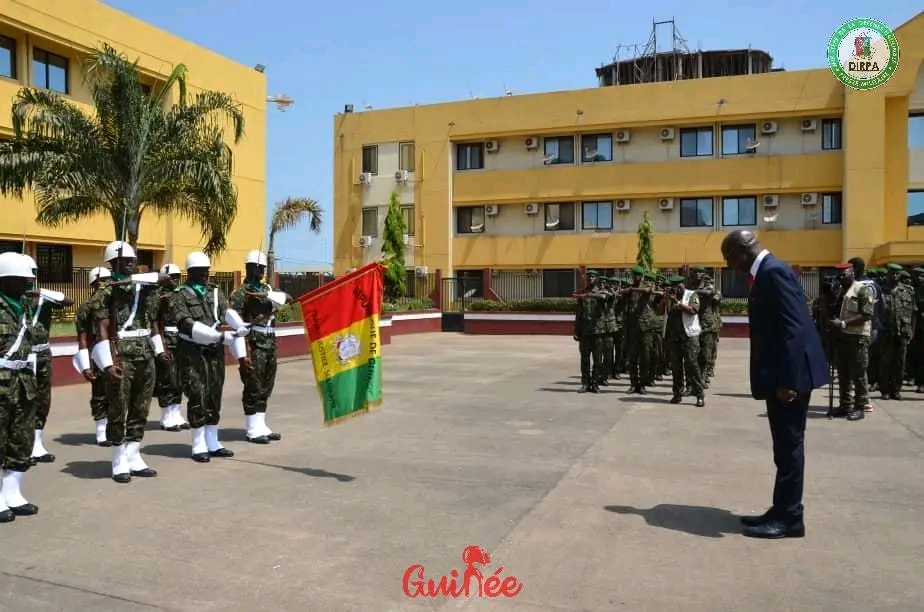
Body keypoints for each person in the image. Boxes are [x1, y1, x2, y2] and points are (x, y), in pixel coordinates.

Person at [721, 230, 828, 539]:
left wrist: (788, 381)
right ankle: (781, 509)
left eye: (729, 258)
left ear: (742, 251)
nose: (729, 265)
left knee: (790, 447)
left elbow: (793, 328)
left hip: (789, 379)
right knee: (783, 448)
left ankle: (791, 518)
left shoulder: (774, 272)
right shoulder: (768, 272)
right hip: (781, 375)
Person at [89, 241, 166, 483]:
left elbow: (163, 278)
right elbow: (101, 329)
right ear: (113, 263)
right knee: (118, 407)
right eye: (126, 261)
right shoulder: (106, 292)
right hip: (120, 351)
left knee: (140, 406)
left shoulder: (143, 286)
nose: (132, 263)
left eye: (133, 259)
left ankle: (134, 454)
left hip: (144, 351)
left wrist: (131, 282)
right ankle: (118, 458)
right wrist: (108, 363)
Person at [170, 251, 248, 462]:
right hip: (192, 350)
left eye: (206, 271)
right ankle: (198, 443)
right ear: (190, 272)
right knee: (197, 394)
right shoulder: (180, 294)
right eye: (199, 271)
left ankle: (212, 440)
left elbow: (226, 311)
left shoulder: (214, 291)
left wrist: (239, 325)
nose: (204, 275)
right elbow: (186, 323)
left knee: (214, 393)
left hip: (214, 351)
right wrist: (218, 336)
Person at [228, 250, 290, 443]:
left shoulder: (268, 289)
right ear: (248, 268)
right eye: (257, 268)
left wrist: (265, 294)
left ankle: (261, 424)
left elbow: (288, 298)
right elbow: (234, 320)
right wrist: (242, 352)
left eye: (262, 268)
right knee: (252, 385)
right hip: (253, 343)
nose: (260, 271)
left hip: (270, 343)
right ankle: (252, 428)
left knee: (266, 385)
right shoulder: (241, 293)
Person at [21, 255, 74, 465]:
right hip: (21, 357)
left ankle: (36, 443)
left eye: (33, 274)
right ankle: (19, 447)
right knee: (21, 402)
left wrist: (41, 291)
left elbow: (67, 301)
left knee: (42, 400)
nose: (30, 278)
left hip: (42, 354)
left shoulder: (42, 297)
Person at [0, 252, 41, 522]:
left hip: (23, 381)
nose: (27, 284)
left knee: (21, 439)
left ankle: (13, 493)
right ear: (5, 280)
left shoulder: (23, 305)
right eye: (21, 280)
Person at [828, 263, 874, 421]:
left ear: (852, 273)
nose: (841, 278)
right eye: (839, 275)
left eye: (844, 274)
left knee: (859, 374)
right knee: (843, 374)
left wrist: (843, 324)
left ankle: (860, 407)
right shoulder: (840, 291)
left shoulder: (862, 289)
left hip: (857, 337)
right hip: (842, 337)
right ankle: (844, 405)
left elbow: (866, 314)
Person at [73, 266, 112, 446]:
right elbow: (82, 337)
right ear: (94, 284)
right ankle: (101, 430)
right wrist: (85, 366)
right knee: (100, 392)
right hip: (97, 352)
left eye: (108, 280)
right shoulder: (86, 307)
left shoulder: (116, 304)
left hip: (117, 350)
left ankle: (115, 427)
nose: (106, 284)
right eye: (102, 281)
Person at [659, 275, 705, 406]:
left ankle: (699, 394)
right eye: (673, 288)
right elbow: (659, 312)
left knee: (692, 365)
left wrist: (677, 302)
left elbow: (693, 310)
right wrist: (664, 299)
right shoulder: (670, 297)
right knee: (676, 367)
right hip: (674, 338)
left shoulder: (692, 295)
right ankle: (677, 394)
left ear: (682, 285)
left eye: (678, 287)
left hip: (689, 336)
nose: (676, 290)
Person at [155, 263, 189, 431]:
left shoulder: (181, 294)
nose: (175, 280)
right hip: (166, 339)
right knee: (166, 379)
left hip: (181, 340)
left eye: (177, 276)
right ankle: (166, 416)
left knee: (180, 380)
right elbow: (156, 322)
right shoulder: (157, 296)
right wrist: (162, 345)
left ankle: (176, 413)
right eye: (171, 277)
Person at [878, 263, 916, 400]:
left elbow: (913, 313)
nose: (894, 276)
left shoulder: (908, 291)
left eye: (896, 274)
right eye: (892, 273)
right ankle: (885, 390)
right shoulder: (881, 291)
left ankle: (896, 389)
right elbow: (876, 313)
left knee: (900, 362)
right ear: (888, 275)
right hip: (886, 331)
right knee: (885, 362)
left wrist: (912, 330)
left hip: (903, 332)